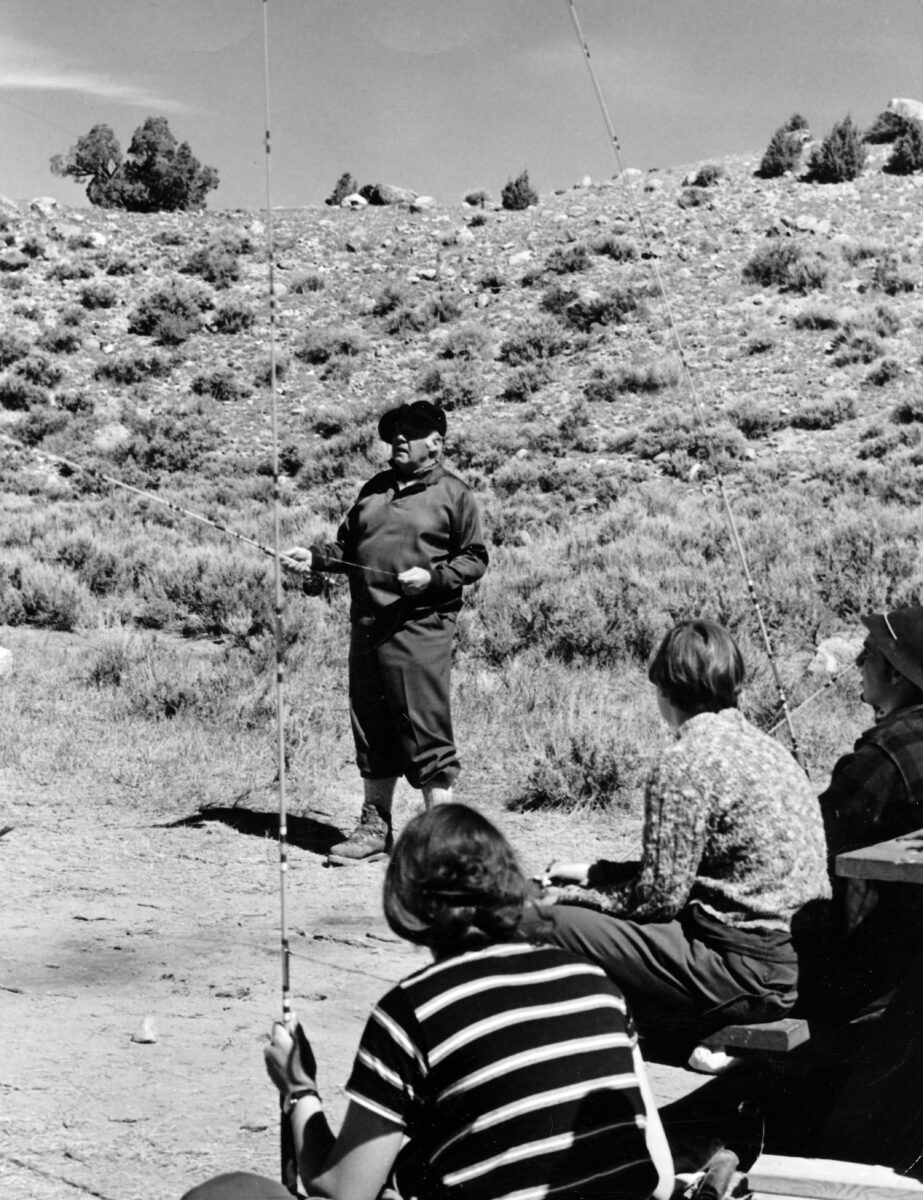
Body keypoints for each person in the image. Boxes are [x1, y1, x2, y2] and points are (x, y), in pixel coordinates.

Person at [186, 805, 674, 1200]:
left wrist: (298, 1089)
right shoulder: (596, 982)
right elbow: (661, 1174)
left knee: (225, 1194)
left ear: (410, 902)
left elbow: (341, 1189)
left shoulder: (414, 1010)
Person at [522, 619, 831, 1064]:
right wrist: (597, 874)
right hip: (787, 961)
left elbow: (658, 900)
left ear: (664, 689)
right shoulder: (767, 749)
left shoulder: (684, 762)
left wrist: (570, 896)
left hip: (741, 970)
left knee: (538, 919)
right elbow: (691, 874)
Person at [285, 400, 488, 866]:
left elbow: (474, 558)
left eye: (411, 431)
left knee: (424, 729)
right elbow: (346, 547)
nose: (399, 438)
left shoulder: (455, 494)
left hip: (421, 628)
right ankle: (375, 829)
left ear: (435, 443)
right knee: (372, 729)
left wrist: (433, 579)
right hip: (368, 626)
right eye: (394, 430)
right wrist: (315, 559)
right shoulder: (373, 490)